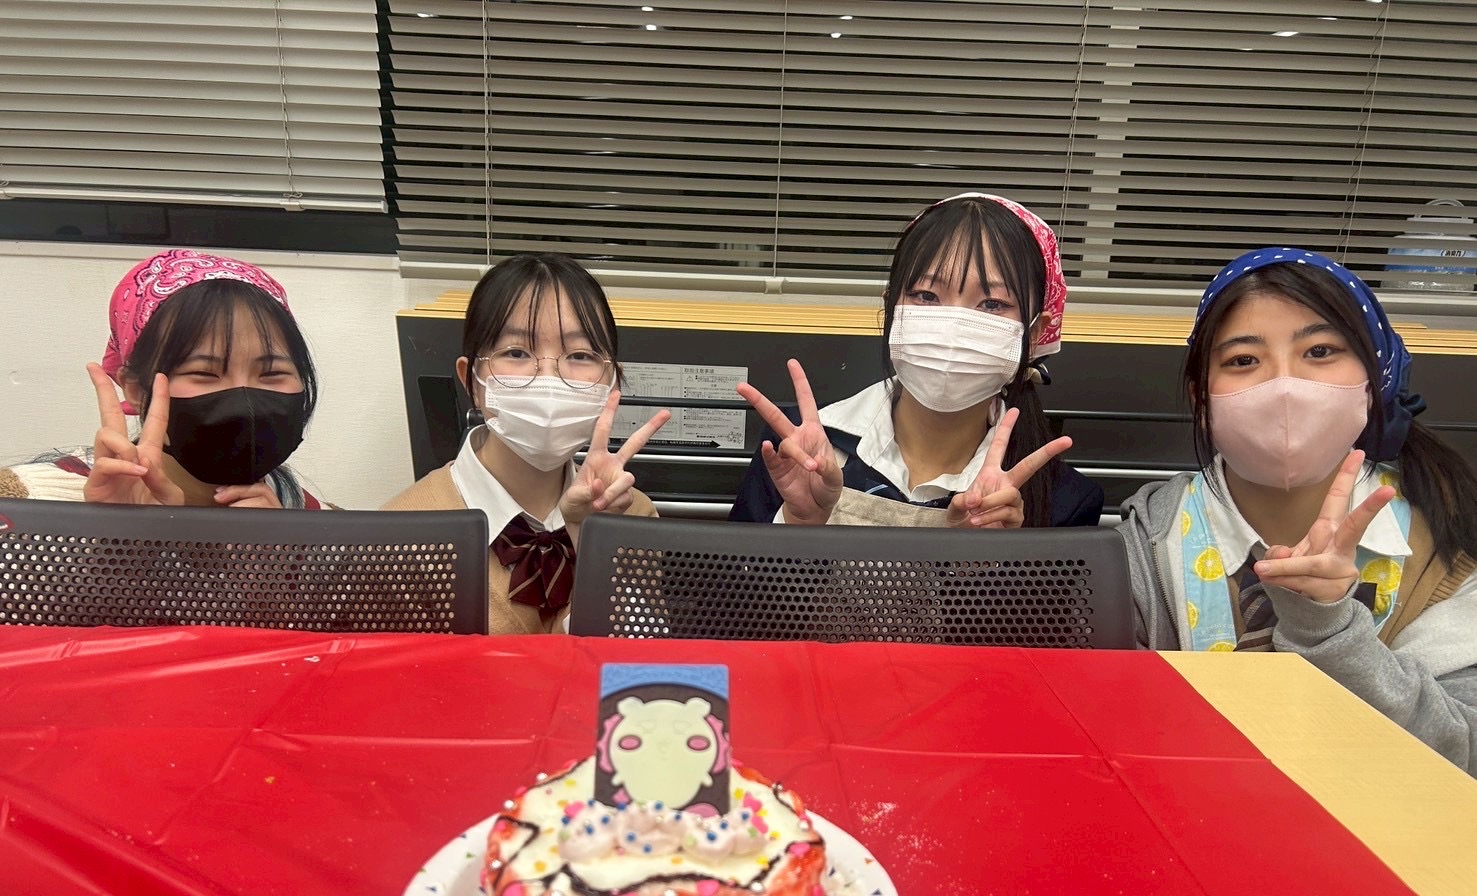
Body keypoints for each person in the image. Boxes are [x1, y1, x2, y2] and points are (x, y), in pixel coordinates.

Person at [1120, 247, 1477, 774]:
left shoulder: (1449, 544)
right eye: (1244, 360)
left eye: (1320, 351)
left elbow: (1462, 752)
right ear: (1201, 397)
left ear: (1374, 379)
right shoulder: (1145, 547)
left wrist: (1327, 629)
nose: (1282, 386)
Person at [730, 192, 1104, 528]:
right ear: (892, 307)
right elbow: (731, 584)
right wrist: (798, 524)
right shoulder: (797, 447)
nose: (953, 325)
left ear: (1035, 333)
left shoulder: (1062, 499)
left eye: (992, 304)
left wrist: (987, 565)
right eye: (926, 296)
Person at [383, 253, 670, 635]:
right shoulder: (401, 536)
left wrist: (596, 544)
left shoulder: (633, 515)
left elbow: (636, 658)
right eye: (516, 352)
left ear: (610, 382)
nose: (548, 378)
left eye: (580, 355)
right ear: (471, 380)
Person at [0, 250, 328, 509]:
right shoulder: (24, 502)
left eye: (272, 373)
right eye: (204, 373)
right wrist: (117, 539)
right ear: (135, 389)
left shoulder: (310, 517)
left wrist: (276, 564)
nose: (245, 400)